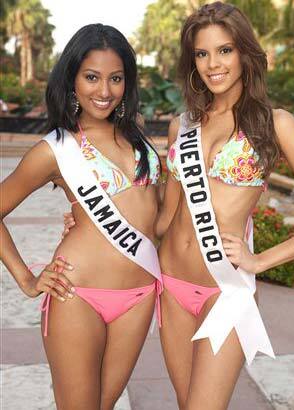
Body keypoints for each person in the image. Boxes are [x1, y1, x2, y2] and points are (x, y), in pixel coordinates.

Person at [155, 3, 294, 410]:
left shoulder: (275, 124)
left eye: (224, 50)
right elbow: (165, 217)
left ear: (245, 53)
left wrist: (261, 260)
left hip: (226, 291)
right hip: (171, 286)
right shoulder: (182, 125)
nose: (212, 64)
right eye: (201, 54)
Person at [0, 24, 163, 410]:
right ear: (72, 79)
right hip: (77, 295)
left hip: (138, 297)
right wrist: (25, 277)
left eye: (115, 79)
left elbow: (156, 214)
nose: (104, 91)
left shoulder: (138, 135)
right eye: (92, 77)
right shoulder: (55, 149)